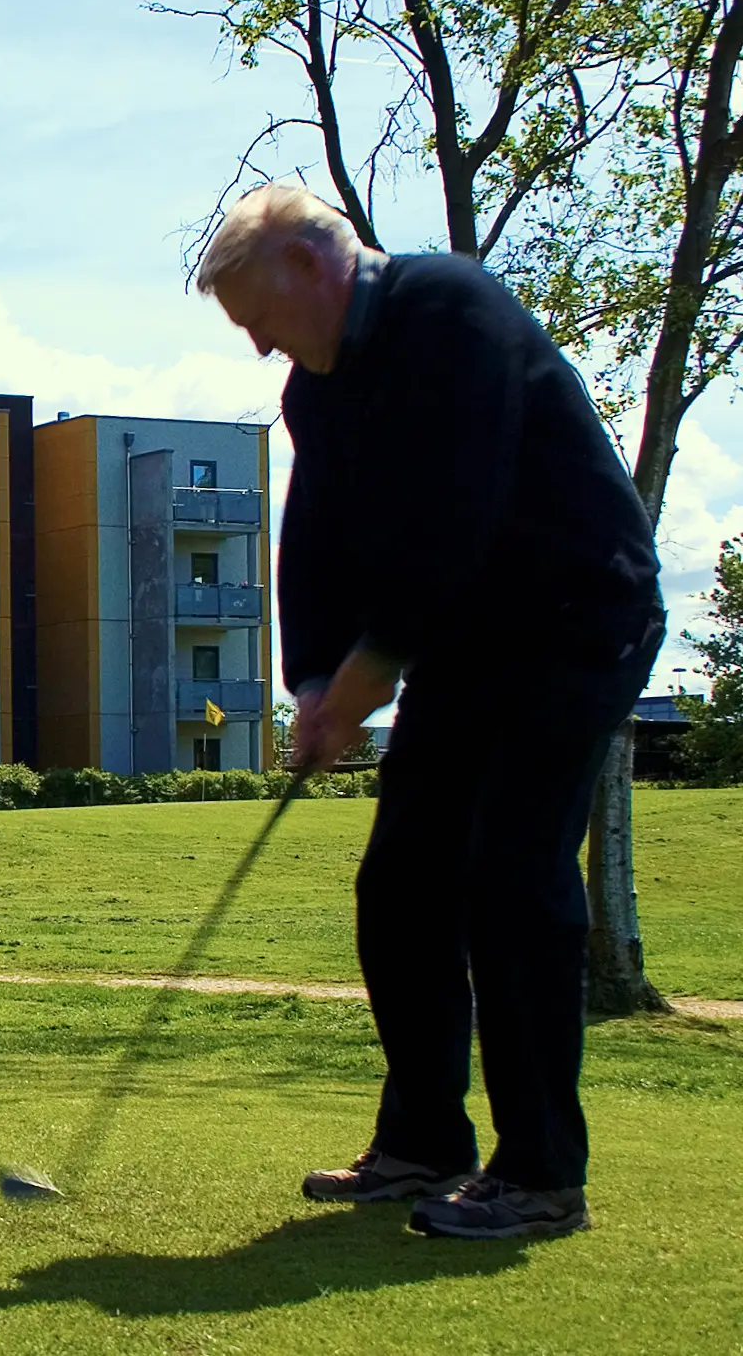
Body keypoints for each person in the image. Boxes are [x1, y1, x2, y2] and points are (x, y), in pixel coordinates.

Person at [197, 184, 664, 1240]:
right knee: (399, 885)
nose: (257, 345)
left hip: (573, 618)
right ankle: (421, 1142)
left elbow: (456, 512)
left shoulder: (451, 312)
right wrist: (316, 680)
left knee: (511, 880)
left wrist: (375, 667)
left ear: (315, 268)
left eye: (257, 318)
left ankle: (541, 1172)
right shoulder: (318, 393)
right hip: (464, 642)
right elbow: (312, 540)